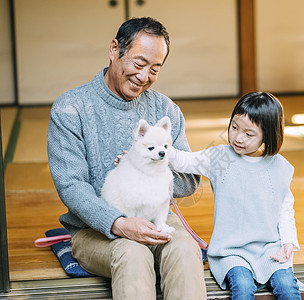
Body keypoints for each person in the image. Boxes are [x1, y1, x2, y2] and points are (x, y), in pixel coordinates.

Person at [47, 17, 207, 300]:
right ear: (114, 49)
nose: (144, 76)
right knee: (133, 254)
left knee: (184, 249)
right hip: (95, 229)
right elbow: (71, 186)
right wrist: (118, 222)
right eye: (139, 63)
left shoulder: (165, 109)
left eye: (155, 69)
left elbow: (190, 181)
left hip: (156, 218)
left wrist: (153, 164)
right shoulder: (71, 108)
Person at [168, 92, 302, 299]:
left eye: (249, 134)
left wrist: (288, 242)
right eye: (234, 127)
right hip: (232, 250)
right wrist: (159, 147)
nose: (238, 137)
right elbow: (184, 161)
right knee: (242, 286)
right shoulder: (222, 158)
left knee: (287, 288)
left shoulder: (279, 167)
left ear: (268, 135)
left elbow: (285, 211)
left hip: (269, 248)